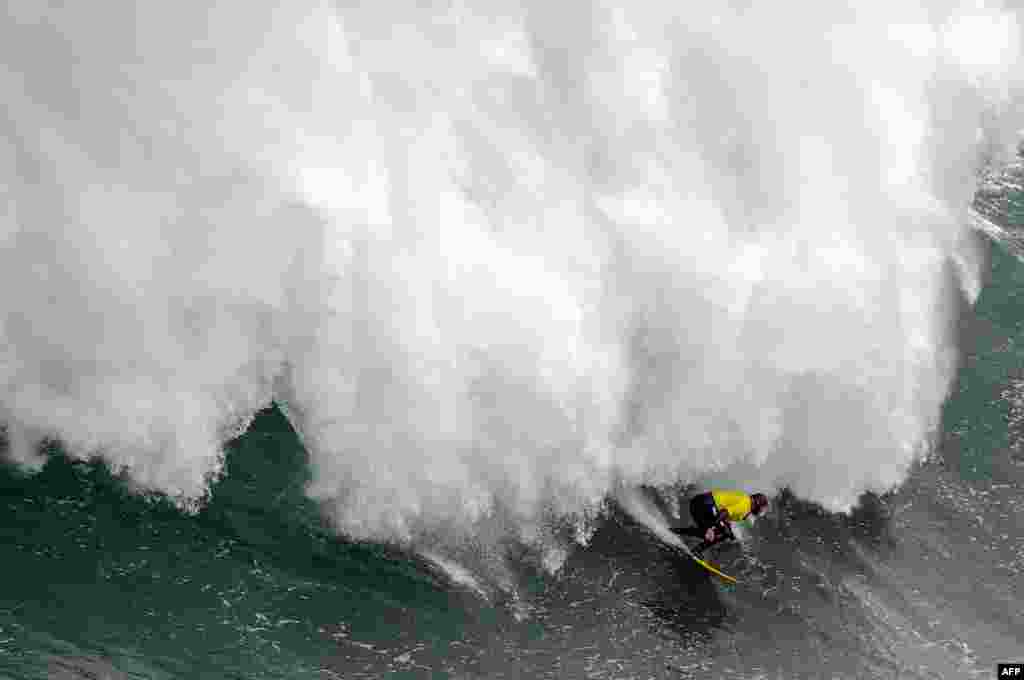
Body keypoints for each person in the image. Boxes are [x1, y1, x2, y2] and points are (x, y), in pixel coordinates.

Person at [671, 490, 769, 555]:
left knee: (725, 533)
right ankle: (696, 551)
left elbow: (724, 513)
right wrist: (711, 528)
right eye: (761, 509)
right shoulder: (745, 506)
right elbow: (723, 512)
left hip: (701, 503)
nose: (760, 512)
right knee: (716, 533)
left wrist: (727, 529)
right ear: (757, 503)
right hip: (704, 506)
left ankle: (676, 532)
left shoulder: (745, 501)